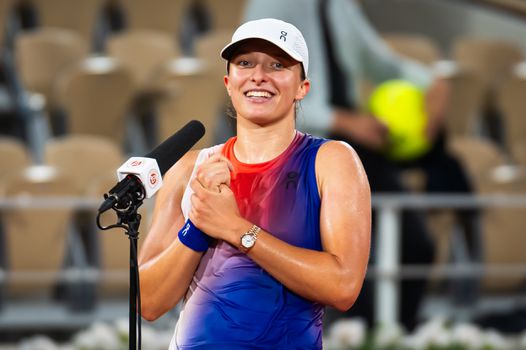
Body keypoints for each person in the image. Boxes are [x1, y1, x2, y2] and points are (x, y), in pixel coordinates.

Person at [245, 0, 479, 331]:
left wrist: (431, 81)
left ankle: (394, 333)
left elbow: (377, 60)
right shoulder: (272, 5)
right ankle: (356, 331)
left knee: (415, 244)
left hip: (349, 144)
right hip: (293, 149)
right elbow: (256, 87)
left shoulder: (337, 4)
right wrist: (342, 120)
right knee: (326, 263)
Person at [138, 18, 371, 349]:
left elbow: (343, 287)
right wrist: (198, 227)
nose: (258, 75)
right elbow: (148, 301)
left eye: (277, 64)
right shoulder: (190, 169)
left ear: (303, 87)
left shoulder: (332, 161)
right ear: (228, 82)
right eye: (245, 63)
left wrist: (236, 229)